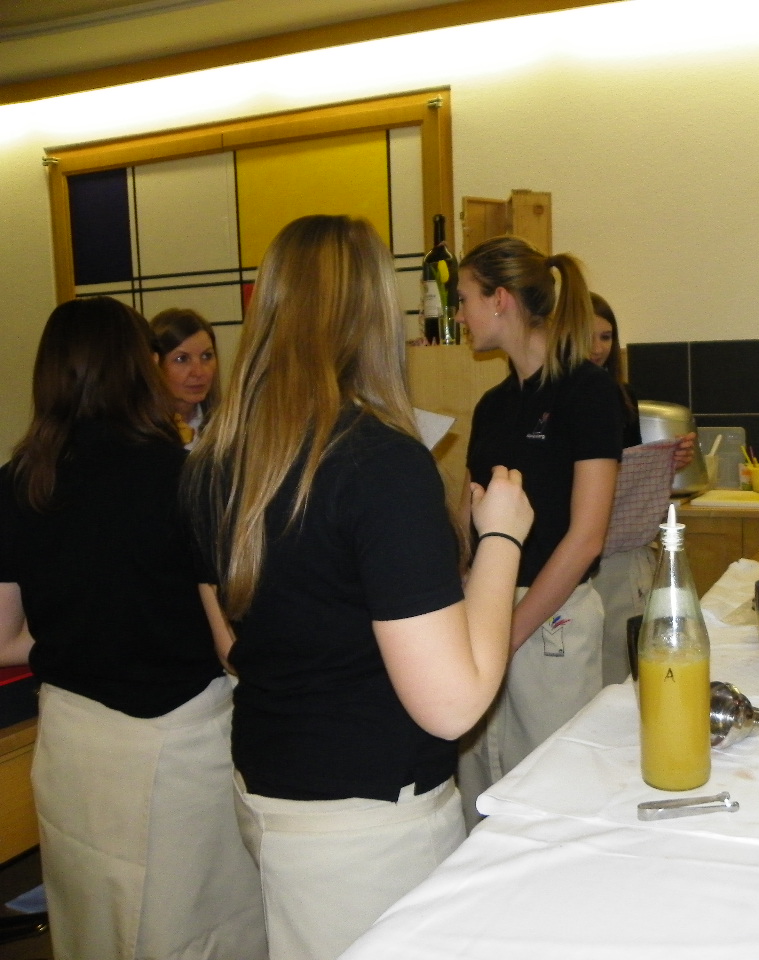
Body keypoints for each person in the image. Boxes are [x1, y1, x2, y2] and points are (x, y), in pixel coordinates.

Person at [183, 214, 531, 960]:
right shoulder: (379, 463)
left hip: (271, 787)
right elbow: (453, 705)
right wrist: (501, 538)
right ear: (373, 314)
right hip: (365, 819)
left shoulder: (216, 461)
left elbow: (238, 643)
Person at [0, 297, 267, 960]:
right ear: (138, 369)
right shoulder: (183, 476)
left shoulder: (17, 481)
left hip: (71, 742)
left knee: (91, 924)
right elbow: (232, 636)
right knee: (197, 928)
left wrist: (80, 632)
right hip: (179, 742)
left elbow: (3, 641)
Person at [455, 237, 623, 817]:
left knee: (550, 794)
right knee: (481, 786)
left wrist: (509, 632)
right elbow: (472, 517)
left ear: (499, 299)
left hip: (551, 618)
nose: (459, 315)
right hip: (487, 607)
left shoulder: (588, 391)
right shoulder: (493, 405)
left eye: (464, 299)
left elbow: (586, 538)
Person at [588, 292, 696, 684]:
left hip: (620, 549)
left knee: (624, 662)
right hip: (587, 551)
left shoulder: (621, 395)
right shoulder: (564, 398)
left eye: (606, 337)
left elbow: (629, 464)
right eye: (587, 336)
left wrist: (670, 461)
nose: (597, 348)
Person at [150, 306, 219, 448]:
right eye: (182, 359)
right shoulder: (136, 434)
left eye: (207, 356)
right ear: (155, 363)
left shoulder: (229, 427)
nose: (199, 372)